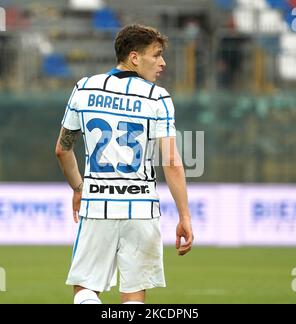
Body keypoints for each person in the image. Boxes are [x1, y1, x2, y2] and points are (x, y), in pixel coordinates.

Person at [55, 24, 194, 304]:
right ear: (134, 57)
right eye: (156, 55)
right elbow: (171, 162)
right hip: (142, 209)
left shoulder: (84, 88)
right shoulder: (158, 98)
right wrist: (184, 216)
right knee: (133, 298)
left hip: (97, 205)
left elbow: (62, 149)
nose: (162, 63)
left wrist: (79, 187)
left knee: (84, 289)